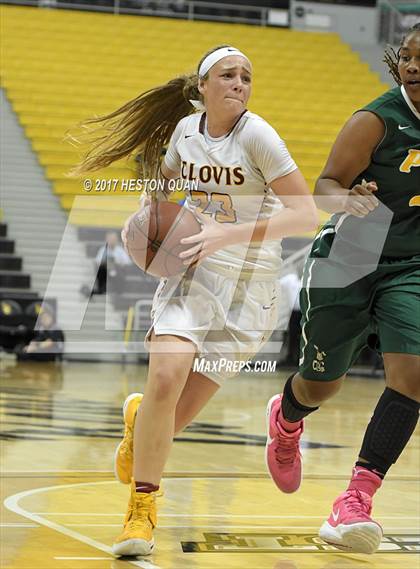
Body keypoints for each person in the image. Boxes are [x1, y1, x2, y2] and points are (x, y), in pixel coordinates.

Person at [73, 44, 318, 556]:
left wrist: (224, 235)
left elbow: (305, 216)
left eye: (247, 77)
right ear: (203, 87)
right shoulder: (187, 132)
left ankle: (138, 426)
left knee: (171, 418)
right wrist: (144, 219)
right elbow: (163, 187)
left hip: (250, 289)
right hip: (193, 274)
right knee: (165, 376)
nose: (239, 84)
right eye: (228, 75)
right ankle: (141, 513)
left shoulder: (258, 136)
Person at [265, 23, 420, 554]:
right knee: (320, 385)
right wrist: (348, 198)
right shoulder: (375, 120)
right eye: (408, 58)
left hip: (410, 263)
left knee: (414, 375)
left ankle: (355, 499)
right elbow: (325, 185)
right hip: (351, 256)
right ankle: (286, 420)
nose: (413, 67)